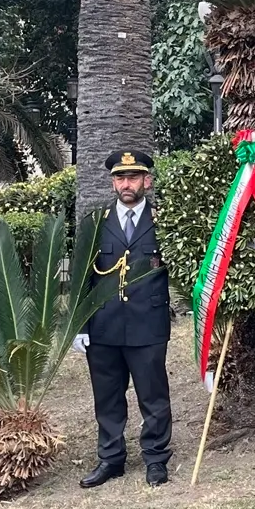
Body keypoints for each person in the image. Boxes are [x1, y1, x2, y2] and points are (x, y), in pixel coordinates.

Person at [74, 150, 173, 489]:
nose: (126, 184)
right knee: (107, 396)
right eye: (120, 178)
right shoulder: (95, 223)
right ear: (113, 183)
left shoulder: (164, 222)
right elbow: (81, 277)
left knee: (153, 395)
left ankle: (156, 458)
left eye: (133, 177)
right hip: (105, 325)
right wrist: (80, 325)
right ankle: (111, 459)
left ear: (147, 181)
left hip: (148, 324)